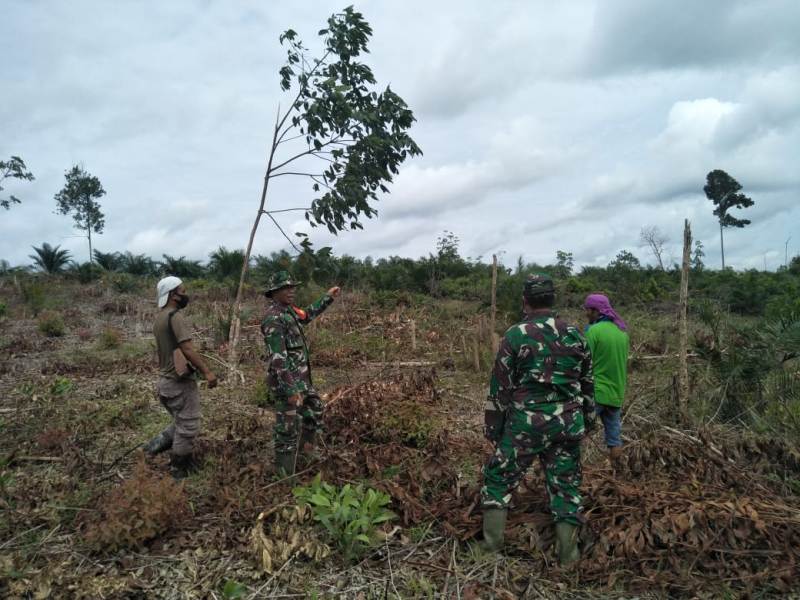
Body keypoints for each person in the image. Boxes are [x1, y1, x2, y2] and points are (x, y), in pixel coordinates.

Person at [481, 274, 595, 566]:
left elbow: (500, 386)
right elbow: (587, 385)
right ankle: (568, 559)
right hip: (568, 422)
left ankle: (491, 549)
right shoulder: (576, 334)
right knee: (566, 485)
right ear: (552, 300)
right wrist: (589, 421)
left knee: (499, 478)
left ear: (526, 301)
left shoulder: (515, 335)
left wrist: (494, 428)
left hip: (526, 424)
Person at [260, 271, 340, 475]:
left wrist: (328, 297)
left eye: (292, 287)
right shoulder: (273, 318)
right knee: (286, 431)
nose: (291, 291)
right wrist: (291, 390)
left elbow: (308, 314)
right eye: (286, 288)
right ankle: (284, 477)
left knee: (313, 414)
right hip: (288, 384)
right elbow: (278, 360)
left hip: (303, 382)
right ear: (274, 292)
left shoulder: (290, 312)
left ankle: (305, 461)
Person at [145, 276, 218, 479]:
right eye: (182, 291)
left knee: (180, 421)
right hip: (178, 383)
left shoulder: (160, 318)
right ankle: (178, 470)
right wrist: (207, 372)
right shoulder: (174, 316)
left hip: (165, 383)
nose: (185, 294)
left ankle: (152, 447)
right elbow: (187, 348)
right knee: (188, 426)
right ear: (172, 295)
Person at [584, 293, 629, 468]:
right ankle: (617, 476)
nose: (586, 313)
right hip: (616, 393)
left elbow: (584, 363)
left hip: (596, 392)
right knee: (614, 439)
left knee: (577, 434)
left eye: (587, 310)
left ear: (595, 310)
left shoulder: (593, 331)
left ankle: (574, 475)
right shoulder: (622, 332)